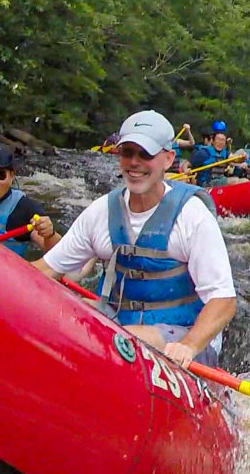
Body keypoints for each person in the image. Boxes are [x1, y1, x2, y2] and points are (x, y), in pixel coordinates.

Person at [33, 109, 236, 367]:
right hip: (119, 320)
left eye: (145, 154)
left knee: (120, 339)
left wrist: (189, 345)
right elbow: (47, 268)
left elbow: (224, 301)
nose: (134, 163)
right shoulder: (101, 211)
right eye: (127, 153)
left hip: (182, 334)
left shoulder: (192, 216)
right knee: (59, 316)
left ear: (168, 158)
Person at [189, 121, 241, 187]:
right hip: (207, 183)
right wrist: (187, 171)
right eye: (218, 139)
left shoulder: (225, 153)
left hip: (220, 180)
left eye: (223, 140)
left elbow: (234, 159)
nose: (220, 142)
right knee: (235, 180)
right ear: (212, 141)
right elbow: (188, 164)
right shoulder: (204, 153)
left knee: (244, 181)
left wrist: (242, 158)